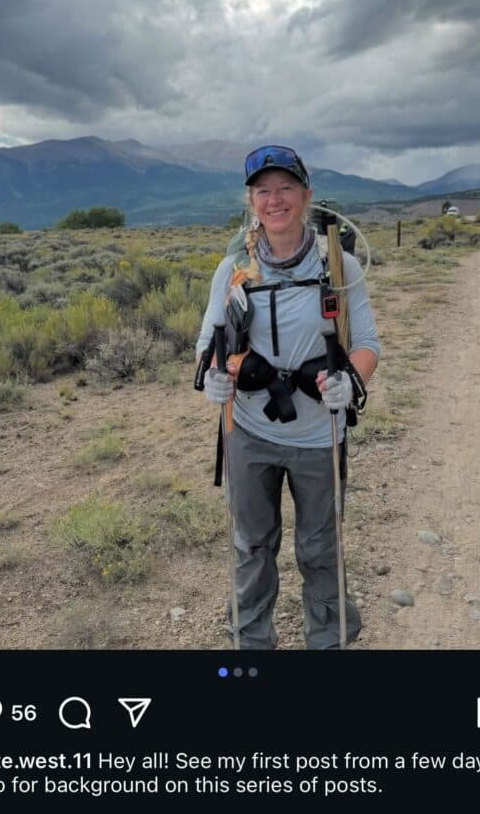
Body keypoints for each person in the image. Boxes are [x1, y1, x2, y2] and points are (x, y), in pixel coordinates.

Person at [196, 145, 380, 650]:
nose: (274, 200)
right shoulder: (233, 267)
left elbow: (365, 346)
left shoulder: (337, 266)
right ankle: (252, 649)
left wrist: (352, 383)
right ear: (251, 201)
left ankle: (330, 642)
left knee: (320, 546)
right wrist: (214, 376)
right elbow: (209, 344)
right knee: (251, 546)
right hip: (248, 432)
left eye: (285, 189)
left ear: (306, 195)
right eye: (263, 191)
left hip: (320, 433)